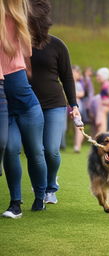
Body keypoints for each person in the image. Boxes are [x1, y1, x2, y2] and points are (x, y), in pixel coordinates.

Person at [28, 0, 80, 203]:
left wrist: (74, 104)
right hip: (28, 105)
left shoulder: (57, 45)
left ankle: (51, 186)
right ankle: (41, 187)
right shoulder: (20, 44)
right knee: (35, 151)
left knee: (51, 150)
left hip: (55, 105)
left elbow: (67, 77)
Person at [1, 0, 48, 218]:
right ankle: (15, 203)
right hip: (5, 107)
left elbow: (27, 52)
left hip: (28, 106)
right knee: (10, 151)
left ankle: (41, 196)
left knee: (35, 153)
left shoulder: (17, 21)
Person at [72, 65, 84, 153]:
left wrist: (72, 95)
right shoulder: (64, 83)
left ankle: (77, 146)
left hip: (77, 107)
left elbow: (82, 94)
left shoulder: (79, 84)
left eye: (74, 72)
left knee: (78, 126)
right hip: (66, 106)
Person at [96, 67, 109, 133]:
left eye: (98, 76)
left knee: (101, 125)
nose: (97, 77)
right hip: (104, 108)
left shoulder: (107, 85)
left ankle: (102, 136)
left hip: (106, 108)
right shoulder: (105, 84)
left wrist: (102, 102)